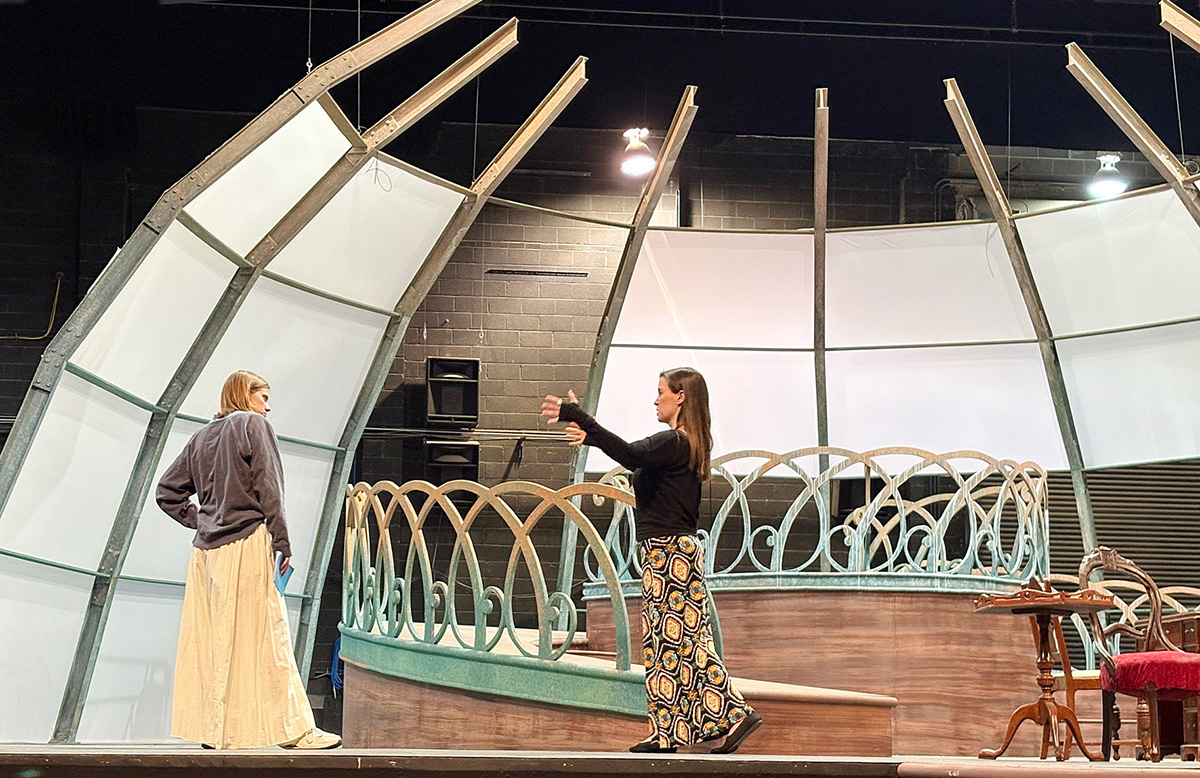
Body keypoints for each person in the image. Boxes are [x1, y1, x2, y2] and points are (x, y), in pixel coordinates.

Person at [541, 367, 762, 754]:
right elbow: (636, 460)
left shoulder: (675, 441)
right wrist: (590, 436)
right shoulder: (682, 445)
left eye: (660, 392)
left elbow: (631, 453)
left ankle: (732, 714)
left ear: (680, 397)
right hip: (668, 551)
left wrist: (580, 417)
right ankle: (671, 733)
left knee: (682, 644)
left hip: (669, 552)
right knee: (666, 646)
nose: (655, 399)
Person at [156, 369, 340, 750]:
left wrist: (203, 520)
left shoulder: (201, 436)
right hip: (246, 545)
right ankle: (295, 732)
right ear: (245, 395)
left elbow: (167, 493)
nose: (267, 407)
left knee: (214, 641)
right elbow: (268, 485)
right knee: (267, 636)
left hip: (206, 555)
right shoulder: (252, 425)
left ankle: (216, 730)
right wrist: (282, 542)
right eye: (263, 397)